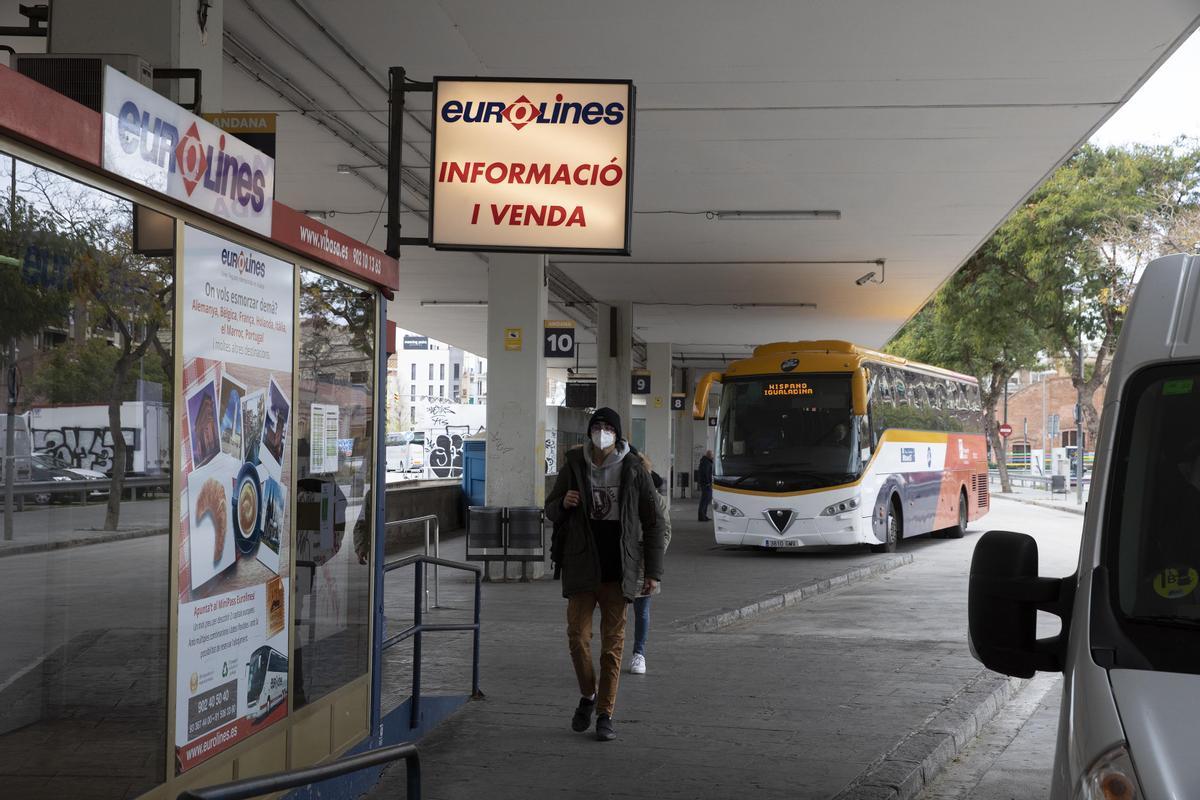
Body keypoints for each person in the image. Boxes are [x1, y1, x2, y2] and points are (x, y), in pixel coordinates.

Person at [546, 407, 664, 741]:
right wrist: (563, 503)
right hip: (581, 565)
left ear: (618, 434)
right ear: (589, 432)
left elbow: (653, 522)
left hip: (618, 568)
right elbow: (550, 509)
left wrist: (652, 572)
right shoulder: (574, 464)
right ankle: (589, 694)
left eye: (607, 427)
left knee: (612, 647)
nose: (601, 432)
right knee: (577, 638)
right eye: (596, 426)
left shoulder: (634, 469)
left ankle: (605, 714)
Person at [630, 454, 672, 675]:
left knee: (642, 610)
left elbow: (663, 533)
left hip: (644, 559)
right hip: (621, 558)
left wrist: (652, 563)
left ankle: (639, 653)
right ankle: (612, 653)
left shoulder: (656, 500)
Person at [697, 449, 714, 521]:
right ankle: (701, 517)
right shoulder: (706, 462)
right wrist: (708, 483)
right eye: (712, 455)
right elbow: (706, 473)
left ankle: (704, 515)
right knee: (704, 500)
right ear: (708, 455)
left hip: (706, 483)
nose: (713, 456)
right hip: (706, 484)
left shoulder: (706, 461)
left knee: (706, 500)